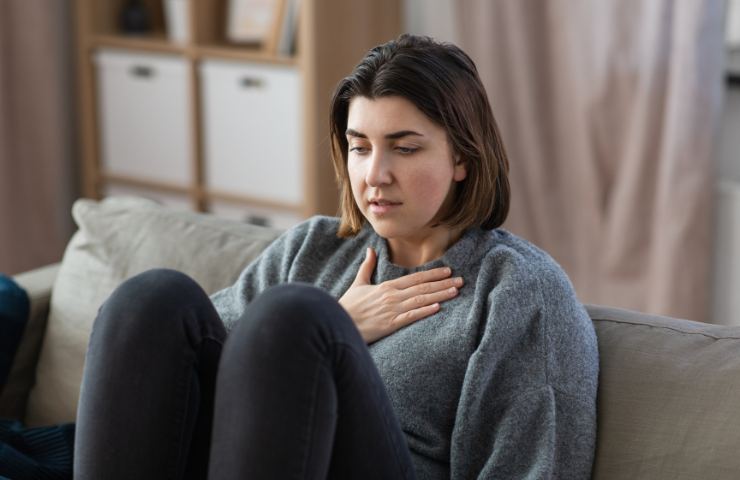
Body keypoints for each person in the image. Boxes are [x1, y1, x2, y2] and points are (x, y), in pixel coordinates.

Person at [74, 34, 598, 479]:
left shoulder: (517, 288)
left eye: (405, 147)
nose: (375, 175)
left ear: (462, 156)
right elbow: (204, 378)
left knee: (294, 316)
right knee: (150, 299)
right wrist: (344, 323)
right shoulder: (313, 248)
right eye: (359, 146)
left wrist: (322, 335)